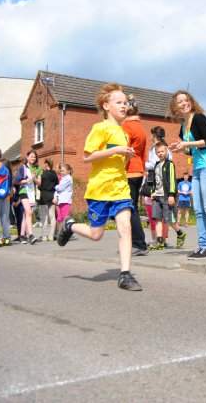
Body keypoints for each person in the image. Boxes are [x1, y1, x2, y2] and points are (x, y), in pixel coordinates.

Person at [56, 83, 142, 291]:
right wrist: (116, 150)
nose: (124, 106)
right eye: (119, 102)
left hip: (120, 188)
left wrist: (125, 155)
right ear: (106, 106)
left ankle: (125, 274)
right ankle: (70, 225)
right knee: (96, 235)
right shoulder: (100, 128)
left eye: (126, 103)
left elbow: (119, 162)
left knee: (125, 226)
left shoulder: (124, 133)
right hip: (100, 189)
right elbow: (87, 157)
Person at [169, 90, 206, 259]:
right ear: (175, 107)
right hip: (197, 168)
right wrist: (180, 148)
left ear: (191, 102)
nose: (184, 103)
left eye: (186, 100)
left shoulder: (199, 118)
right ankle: (202, 245)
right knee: (198, 209)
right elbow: (191, 152)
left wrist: (186, 144)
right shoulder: (183, 126)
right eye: (180, 102)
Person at [122, 95, 149, 256]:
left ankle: (139, 244)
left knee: (129, 209)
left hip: (128, 170)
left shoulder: (126, 126)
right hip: (138, 171)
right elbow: (144, 152)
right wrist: (143, 170)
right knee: (131, 208)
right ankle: (134, 242)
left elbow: (124, 150)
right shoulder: (141, 127)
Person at [150, 140, 187, 249]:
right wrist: (152, 192)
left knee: (170, 220)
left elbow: (172, 180)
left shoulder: (169, 164)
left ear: (166, 151)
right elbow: (154, 180)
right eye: (158, 152)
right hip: (157, 196)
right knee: (157, 218)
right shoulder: (156, 165)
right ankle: (160, 242)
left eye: (162, 151)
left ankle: (180, 233)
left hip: (167, 196)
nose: (160, 153)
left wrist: (171, 195)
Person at [144, 126, 170, 245]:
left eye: (152, 135)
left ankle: (158, 239)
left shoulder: (158, 148)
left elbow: (156, 164)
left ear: (155, 135)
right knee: (159, 212)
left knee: (154, 212)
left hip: (156, 183)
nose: (150, 137)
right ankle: (161, 239)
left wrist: (143, 164)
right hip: (157, 182)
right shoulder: (162, 148)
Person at [16, 150, 40, 244]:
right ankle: (30, 235)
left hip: (32, 192)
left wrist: (34, 178)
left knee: (26, 214)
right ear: (27, 157)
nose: (33, 158)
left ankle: (22, 236)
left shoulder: (37, 168)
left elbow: (39, 183)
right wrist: (27, 180)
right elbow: (17, 181)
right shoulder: (23, 168)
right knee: (28, 212)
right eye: (31, 156)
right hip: (23, 191)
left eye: (34, 156)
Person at [38, 159, 58, 242]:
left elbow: (39, 186)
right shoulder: (54, 174)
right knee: (52, 216)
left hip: (43, 196)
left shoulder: (42, 174)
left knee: (44, 217)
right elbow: (57, 185)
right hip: (52, 196)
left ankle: (44, 236)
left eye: (44, 164)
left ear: (46, 164)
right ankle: (51, 236)